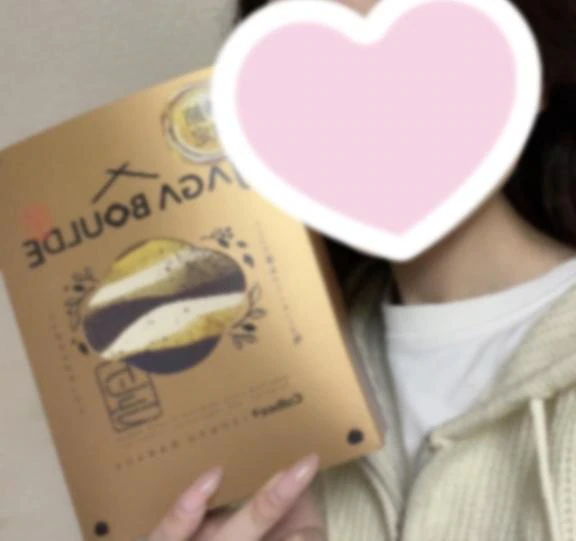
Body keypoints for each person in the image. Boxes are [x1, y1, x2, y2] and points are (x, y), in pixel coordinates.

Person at [147, 0, 576, 539]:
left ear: (531, 77)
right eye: (323, 86)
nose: (379, 114)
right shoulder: (257, 378)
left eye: (432, 61)